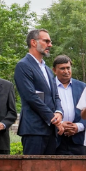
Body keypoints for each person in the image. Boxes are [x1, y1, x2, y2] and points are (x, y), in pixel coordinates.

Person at [13, 28, 63, 156]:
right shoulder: (23, 66)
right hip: (34, 130)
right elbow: (30, 96)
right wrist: (53, 118)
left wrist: (58, 112)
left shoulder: (47, 69)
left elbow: (55, 95)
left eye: (50, 41)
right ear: (33, 42)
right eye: (46, 41)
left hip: (50, 130)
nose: (50, 45)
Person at [52, 55, 86, 155]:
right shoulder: (49, 86)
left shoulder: (83, 87)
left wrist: (79, 126)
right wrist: (59, 123)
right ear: (54, 70)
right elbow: (44, 109)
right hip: (56, 138)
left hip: (78, 140)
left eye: (68, 68)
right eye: (62, 68)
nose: (66, 71)